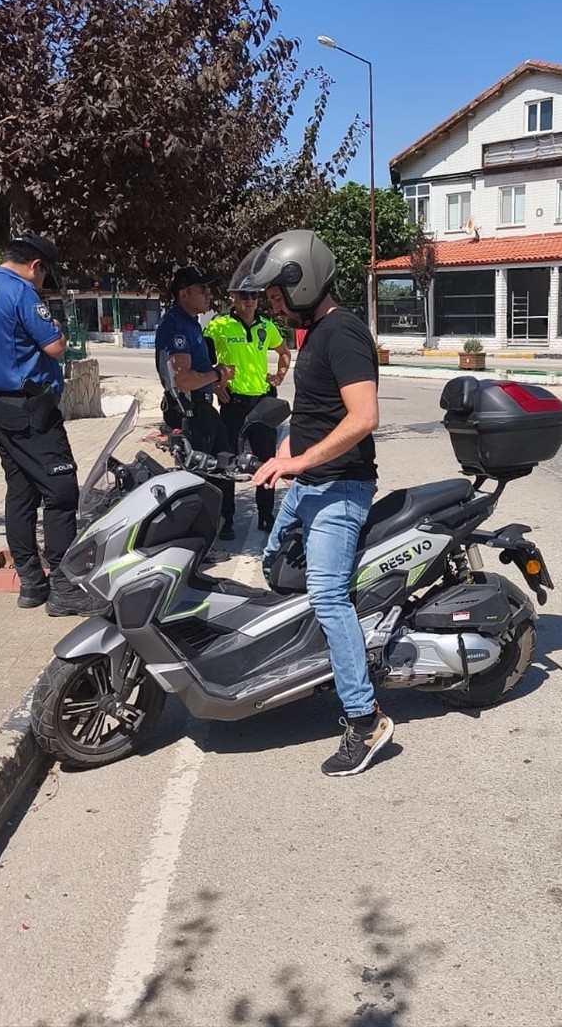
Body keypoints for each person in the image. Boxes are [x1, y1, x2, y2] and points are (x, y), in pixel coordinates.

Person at [239, 229, 393, 777]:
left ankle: (365, 720)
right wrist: (282, 453)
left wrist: (301, 462)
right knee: (274, 566)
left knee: (328, 594)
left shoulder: (343, 332)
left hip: (340, 488)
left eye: (276, 295)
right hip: (310, 483)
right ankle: (313, 665)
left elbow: (364, 417)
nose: (273, 305)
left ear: (301, 281)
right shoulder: (314, 333)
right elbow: (313, 413)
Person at [0, 236, 106, 616]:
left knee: (22, 491)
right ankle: (64, 587)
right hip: (30, 408)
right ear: (36, 265)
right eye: (44, 276)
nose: (42, 283)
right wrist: (56, 327)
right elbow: (54, 346)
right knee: (61, 490)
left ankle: (30, 582)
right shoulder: (20, 292)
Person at [154, 265, 237, 539]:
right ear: (184, 293)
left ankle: (219, 527)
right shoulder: (175, 325)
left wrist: (214, 382)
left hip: (201, 406)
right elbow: (184, 379)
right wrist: (218, 374)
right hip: (188, 411)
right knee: (201, 476)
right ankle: (198, 540)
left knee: (222, 465)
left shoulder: (190, 323)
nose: (208, 294)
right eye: (202, 289)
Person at [204, 287, 291, 532]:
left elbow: (284, 353)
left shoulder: (266, 326)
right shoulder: (218, 326)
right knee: (227, 463)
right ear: (232, 297)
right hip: (234, 405)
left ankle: (266, 516)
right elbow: (201, 359)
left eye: (254, 295)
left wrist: (279, 375)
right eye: (244, 295)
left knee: (266, 462)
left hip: (262, 406)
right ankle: (226, 520)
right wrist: (214, 383)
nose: (250, 300)